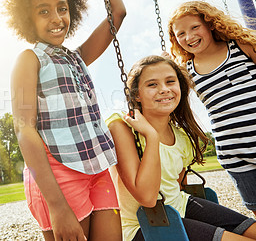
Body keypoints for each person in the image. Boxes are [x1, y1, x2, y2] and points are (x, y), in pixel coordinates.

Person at [4, 0, 125, 240]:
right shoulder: (30, 59)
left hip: (98, 169)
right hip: (58, 174)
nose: (57, 18)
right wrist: (57, 207)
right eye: (43, 11)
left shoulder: (77, 57)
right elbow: (24, 129)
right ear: (27, 17)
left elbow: (118, 12)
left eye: (62, 8)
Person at [107, 55, 256, 240]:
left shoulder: (180, 136)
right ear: (136, 94)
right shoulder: (121, 128)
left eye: (170, 81)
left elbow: (177, 184)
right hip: (143, 225)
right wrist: (151, 137)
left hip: (180, 205)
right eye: (152, 84)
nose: (164, 89)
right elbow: (147, 198)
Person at [167, 0, 256, 216]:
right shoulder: (187, 71)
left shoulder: (241, 46)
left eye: (194, 27)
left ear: (210, 24)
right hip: (234, 152)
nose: (189, 37)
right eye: (181, 34)